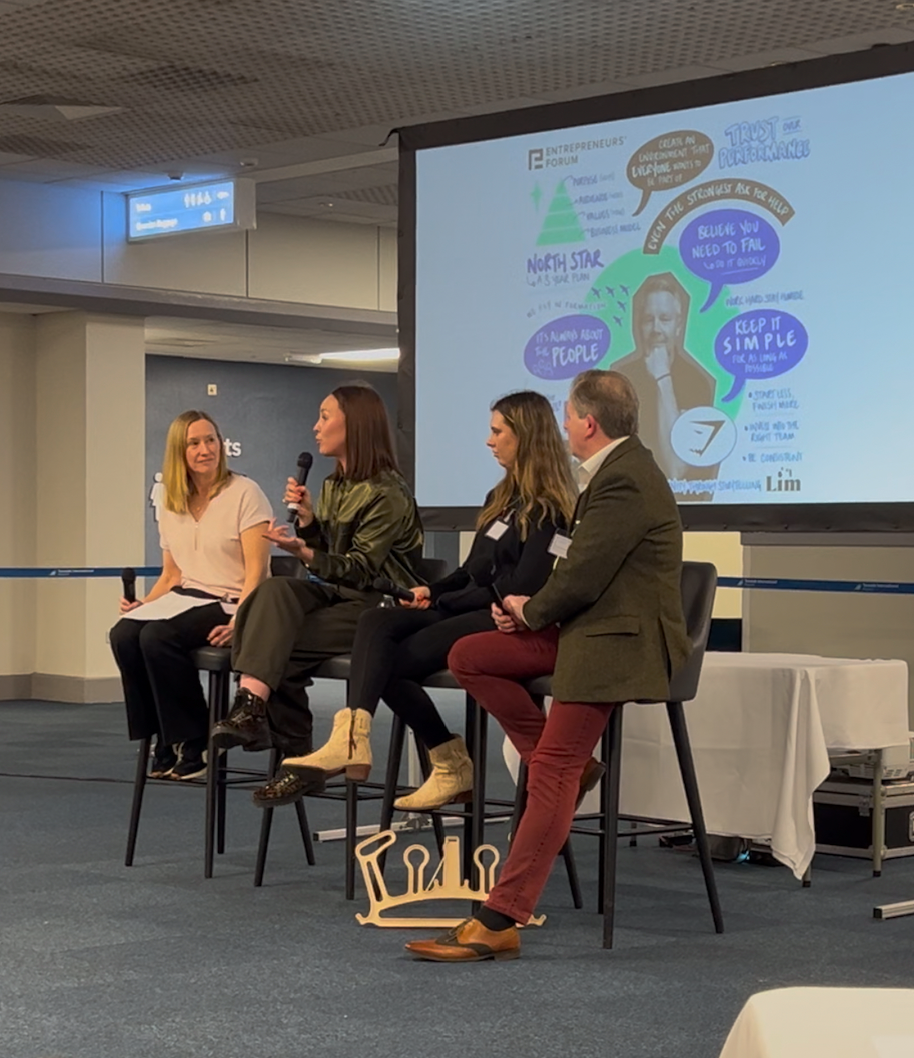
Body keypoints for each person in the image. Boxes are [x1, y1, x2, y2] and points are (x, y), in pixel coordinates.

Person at [404, 369, 691, 963]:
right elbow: (578, 572)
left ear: (589, 421)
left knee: (551, 773)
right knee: (471, 654)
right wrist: (524, 611)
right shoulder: (612, 473)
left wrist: (529, 611)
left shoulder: (624, 479)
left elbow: (582, 575)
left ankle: (500, 917)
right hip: (585, 630)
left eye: (568, 417)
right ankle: (565, 762)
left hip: (614, 644)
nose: (564, 428)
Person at [281, 390, 579, 811]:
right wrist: (432, 591)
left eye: (497, 432)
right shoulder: (500, 498)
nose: (489, 441)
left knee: (388, 663)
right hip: (469, 605)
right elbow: (472, 570)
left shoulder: (551, 507)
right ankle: (353, 739)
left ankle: (447, 761)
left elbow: (522, 583)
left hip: (500, 617)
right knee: (377, 623)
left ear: (526, 436)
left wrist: (453, 600)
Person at [209, 384, 424, 807]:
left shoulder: (388, 492)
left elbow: (362, 570)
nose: (316, 426)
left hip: (380, 607)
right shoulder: (333, 484)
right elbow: (331, 556)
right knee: (274, 591)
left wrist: (304, 550)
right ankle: (258, 717)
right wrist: (309, 524)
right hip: (340, 595)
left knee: (273, 644)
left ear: (354, 424)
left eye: (325, 416)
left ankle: (287, 749)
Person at [110, 411, 272, 780]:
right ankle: (162, 736)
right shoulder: (170, 500)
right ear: (178, 452)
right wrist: (142, 607)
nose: (205, 449)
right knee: (124, 633)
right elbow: (172, 574)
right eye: (194, 443)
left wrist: (241, 620)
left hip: (231, 600)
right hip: (186, 596)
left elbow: (258, 573)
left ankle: (196, 737)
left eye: (210, 440)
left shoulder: (245, 493)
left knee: (157, 636)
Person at [612, 272, 717, 492]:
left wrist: (662, 378)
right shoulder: (620, 380)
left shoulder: (698, 383)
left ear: (678, 326)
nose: (656, 329)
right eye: (648, 320)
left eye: (665, 319)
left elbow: (676, 468)